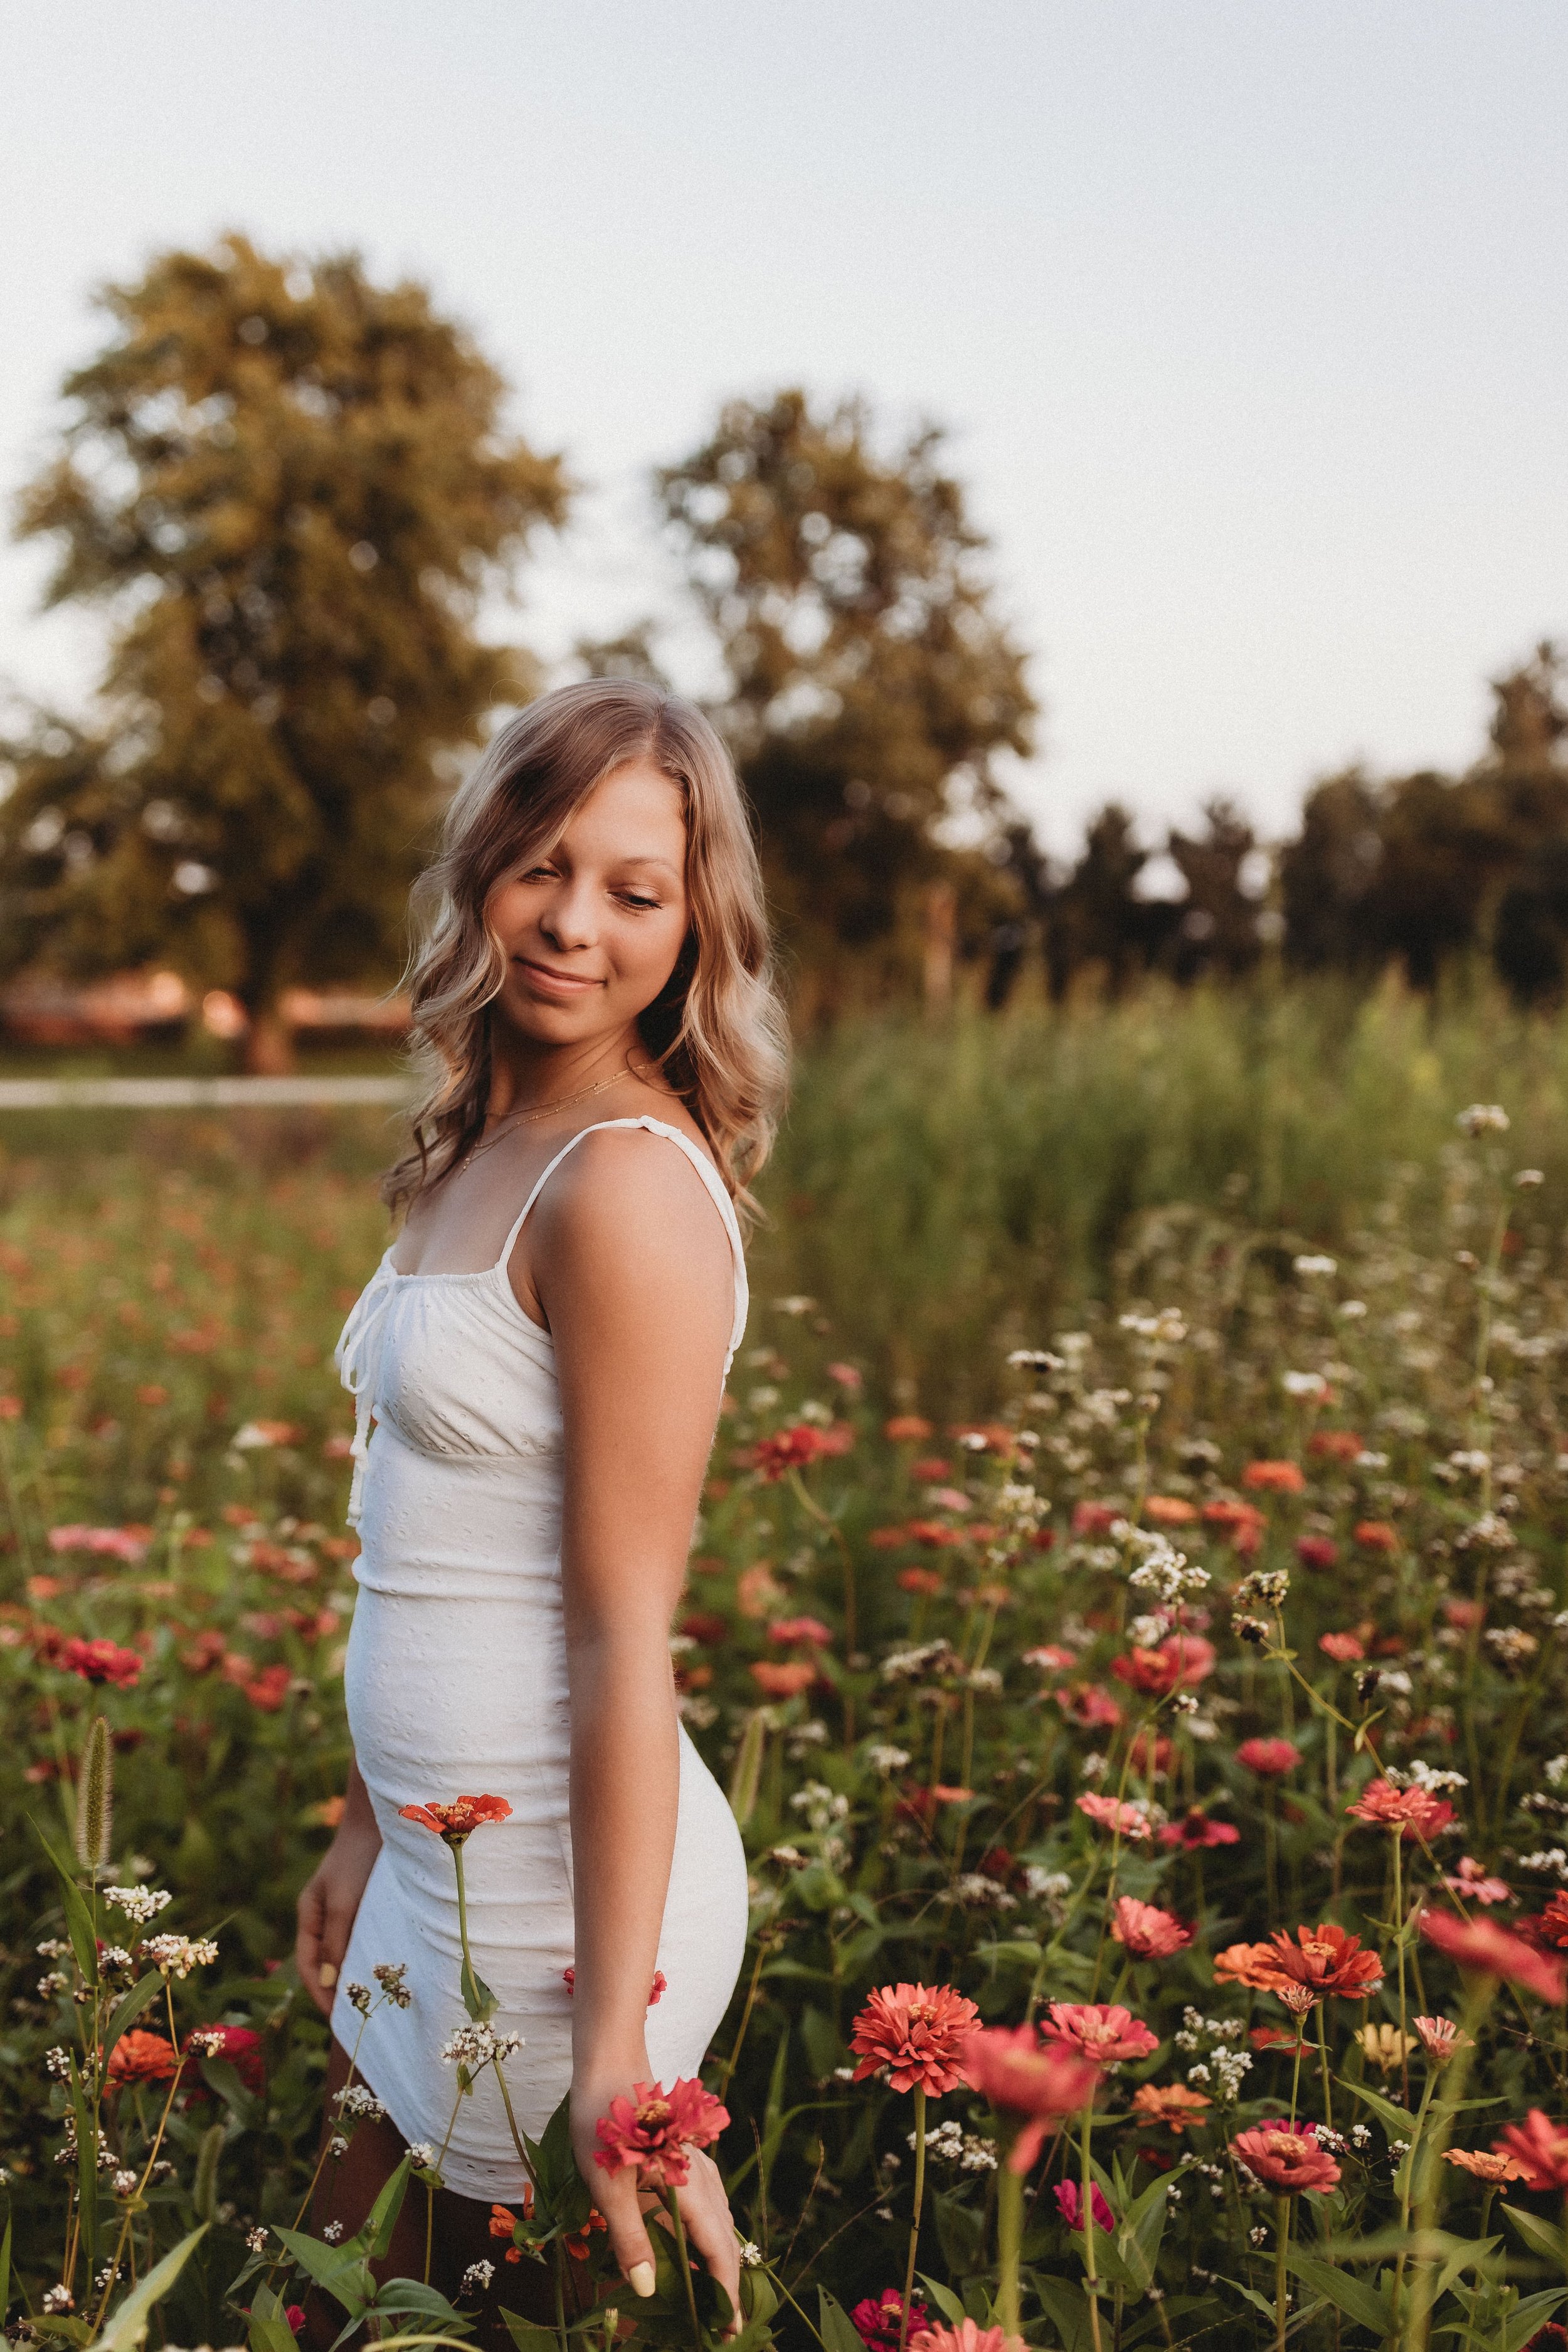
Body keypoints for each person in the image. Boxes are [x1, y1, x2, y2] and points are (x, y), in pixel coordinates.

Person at [294, 681, 788, 2334]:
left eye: (636, 893)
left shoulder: (625, 1186)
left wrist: (615, 2054)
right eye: (543, 869)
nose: (576, 925)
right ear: (481, 870)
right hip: (428, 1862)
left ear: (692, 926)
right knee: (327, 2294)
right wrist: (365, 1825)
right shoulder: (481, 1142)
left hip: (559, 1912)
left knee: (499, 2316)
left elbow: (617, 1627)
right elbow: (414, 1544)